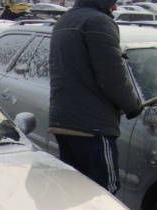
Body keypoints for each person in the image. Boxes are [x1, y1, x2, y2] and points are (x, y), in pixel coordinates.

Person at [49, 0, 142, 194]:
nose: (115, 8)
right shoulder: (98, 23)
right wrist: (133, 107)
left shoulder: (64, 21)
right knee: (105, 193)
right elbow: (112, 76)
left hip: (63, 122)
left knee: (74, 192)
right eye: (112, 2)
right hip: (93, 127)